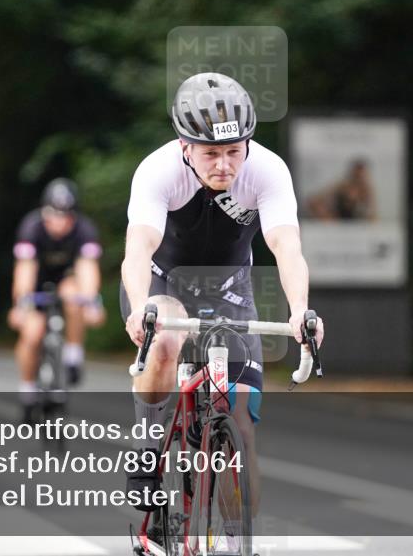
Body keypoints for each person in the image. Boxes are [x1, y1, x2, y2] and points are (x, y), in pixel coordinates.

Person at [121, 72, 325, 521]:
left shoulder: (267, 170)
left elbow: (286, 246)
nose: (224, 165)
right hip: (164, 282)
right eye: (210, 153)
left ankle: (238, 541)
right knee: (167, 342)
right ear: (185, 147)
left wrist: (299, 312)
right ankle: (147, 444)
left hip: (231, 288)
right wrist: (140, 308)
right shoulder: (158, 171)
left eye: (234, 152)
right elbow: (138, 249)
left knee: (242, 426)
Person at [7, 178, 105, 423]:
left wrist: (92, 302)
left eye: (66, 216)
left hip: (67, 280)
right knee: (32, 334)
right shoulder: (31, 226)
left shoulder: (85, 229)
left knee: (73, 296)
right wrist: (21, 304)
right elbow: (25, 270)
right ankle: (28, 391)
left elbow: (88, 269)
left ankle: (73, 355)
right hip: (37, 283)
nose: (60, 222)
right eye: (54, 215)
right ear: (44, 212)